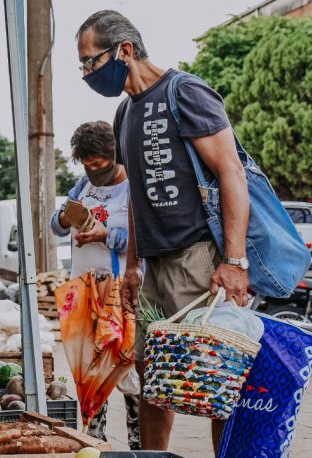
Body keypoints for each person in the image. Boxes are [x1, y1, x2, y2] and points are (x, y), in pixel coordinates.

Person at [76, 10, 251, 452]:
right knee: (153, 380)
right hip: (154, 267)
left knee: (215, 381)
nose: (86, 73)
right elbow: (136, 196)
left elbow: (230, 172)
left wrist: (234, 261)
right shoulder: (124, 113)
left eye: (90, 62)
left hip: (198, 259)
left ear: (125, 51)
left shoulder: (184, 91)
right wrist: (133, 265)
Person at [50, 121, 140, 449]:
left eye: (97, 163)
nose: (91, 169)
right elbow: (56, 224)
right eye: (85, 163)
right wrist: (65, 218)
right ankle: (95, 442)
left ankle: (137, 444)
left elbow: (144, 239)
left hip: (116, 292)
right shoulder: (82, 184)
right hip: (81, 291)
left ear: (113, 155)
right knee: (88, 371)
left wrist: (106, 234)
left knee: (124, 368)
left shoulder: (133, 186)